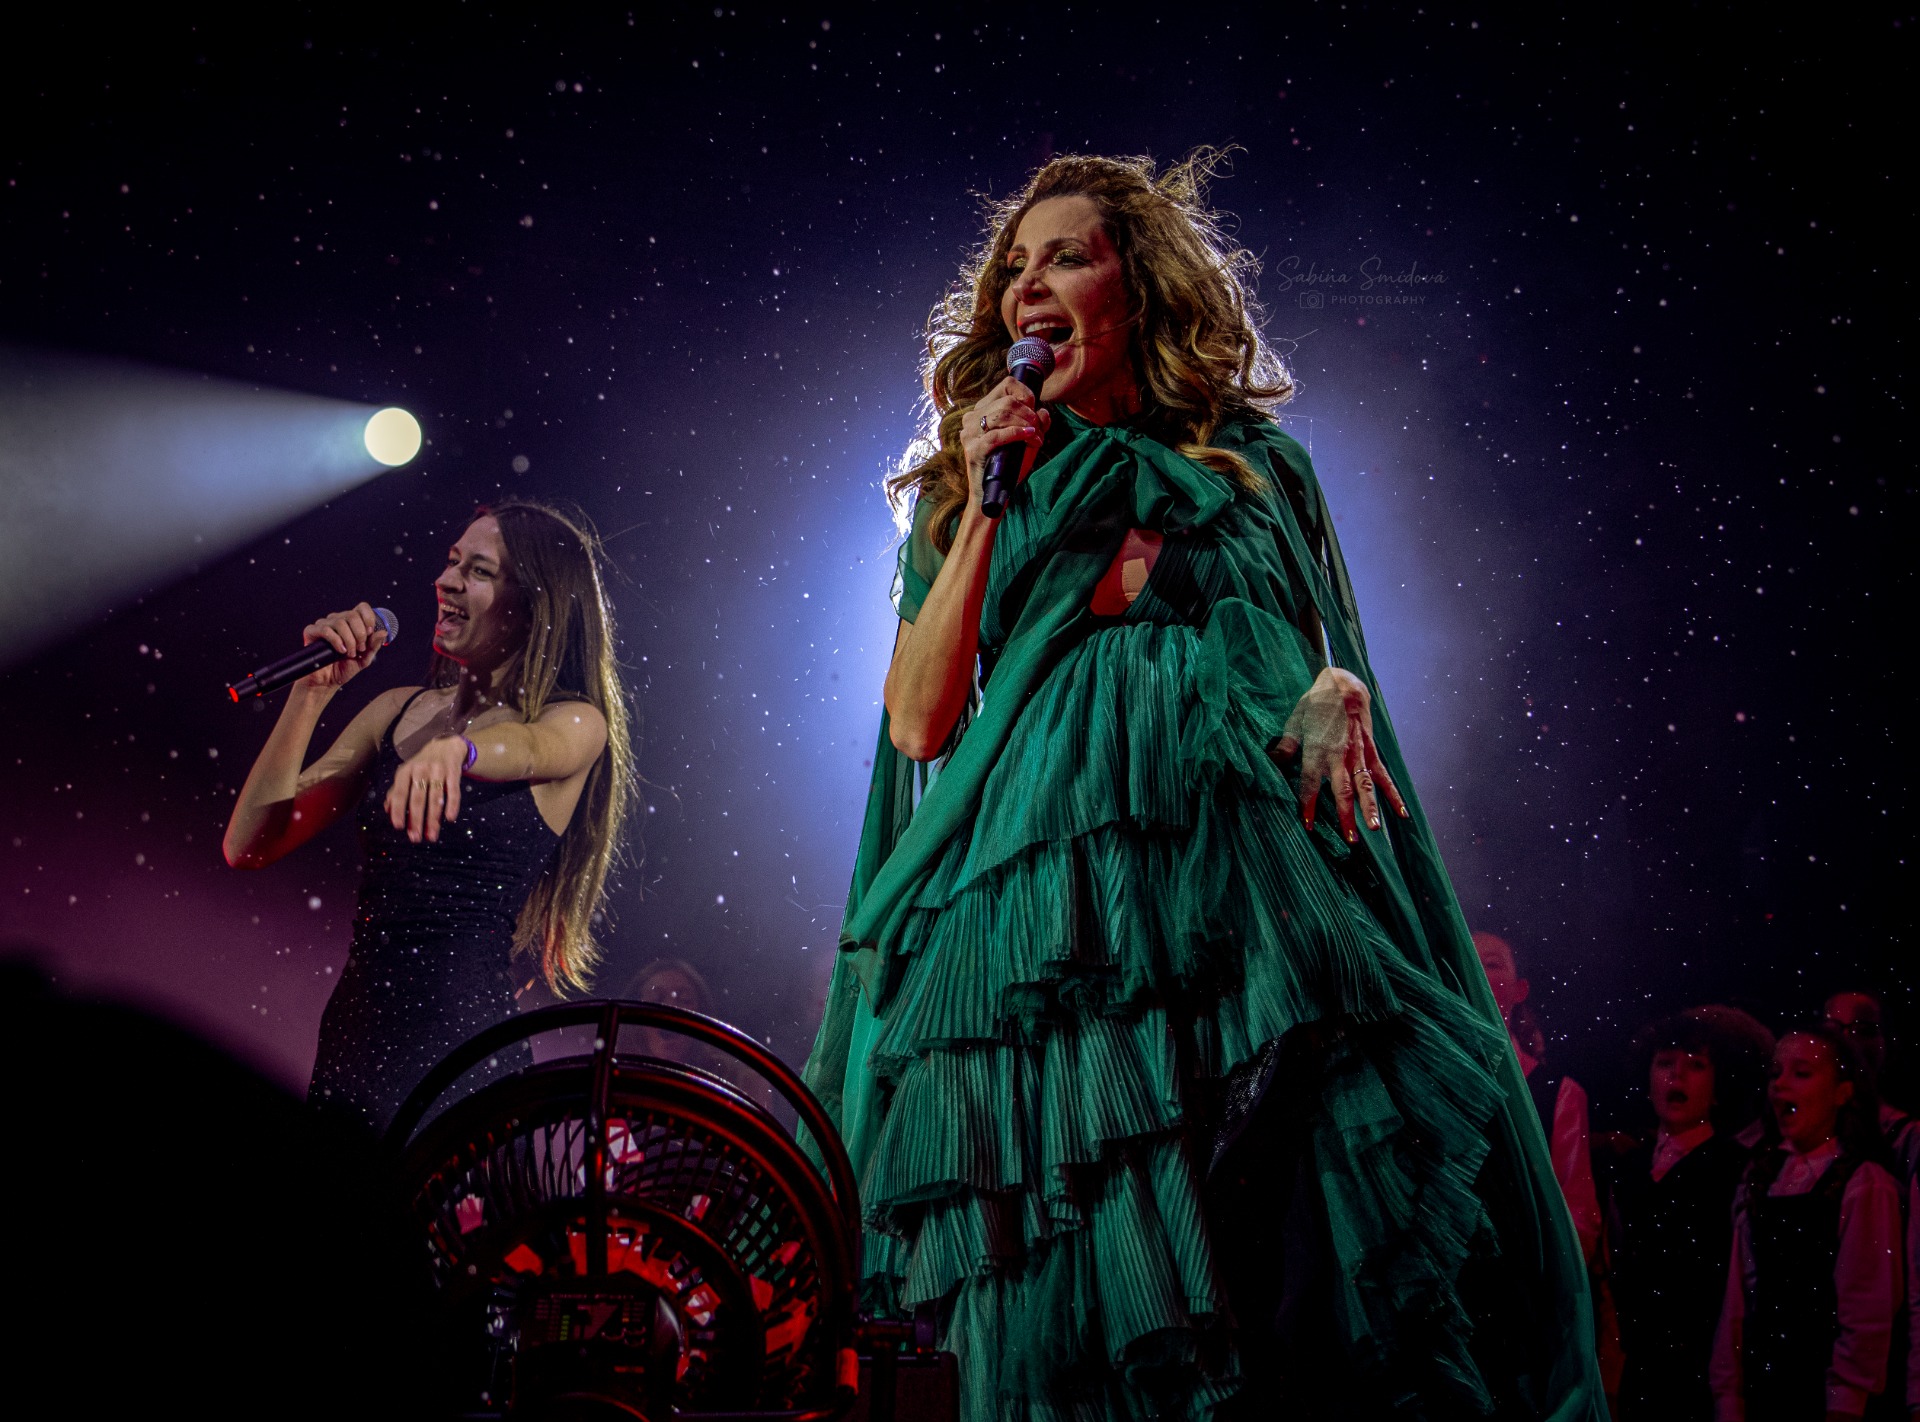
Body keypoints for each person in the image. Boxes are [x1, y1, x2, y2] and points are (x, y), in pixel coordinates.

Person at [801, 151, 1602, 1420]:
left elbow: (1310, 649)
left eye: (1068, 257)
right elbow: (918, 721)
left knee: (1268, 1246)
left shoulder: (1255, 467)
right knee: (1072, 1236)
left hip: (1231, 899)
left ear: (1141, 287)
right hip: (1045, 917)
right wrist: (989, 497)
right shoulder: (971, 483)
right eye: (1015, 267)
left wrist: (1332, 685)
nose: (1028, 288)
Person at [224, 499, 634, 1131]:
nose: (445, 581)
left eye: (478, 571)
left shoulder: (576, 720)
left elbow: (533, 747)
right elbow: (250, 844)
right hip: (356, 1036)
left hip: (460, 1049)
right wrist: (311, 695)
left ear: (535, 602)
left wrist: (460, 750)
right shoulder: (396, 710)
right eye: (450, 562)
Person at [1710, 1021, 1904, 1422]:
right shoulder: (1760, 1178)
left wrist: (1845, 1401)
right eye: (1775, 1073)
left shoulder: (1864, 1183)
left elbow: (1867, 1307)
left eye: (1801, 1073)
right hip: (1765, 1390)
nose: (1781, 1084)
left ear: (1842, 1093)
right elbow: (1737, 1300)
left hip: (1826, 1398)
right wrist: (1729, 1395)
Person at [1608, 1010, 1763, 1420]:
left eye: (1696, 1065)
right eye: (1665, 1063)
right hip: (1638, 1369)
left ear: (1718, 1086)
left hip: (1706, 1371)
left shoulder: (1737, 1168)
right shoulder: (1629, 1168)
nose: (1677, 1075)